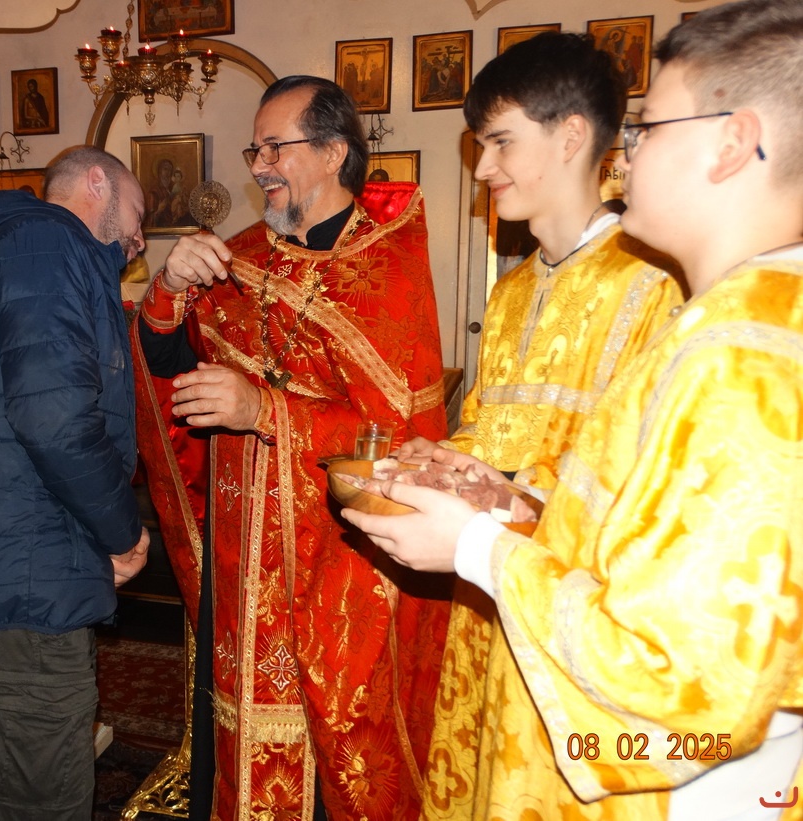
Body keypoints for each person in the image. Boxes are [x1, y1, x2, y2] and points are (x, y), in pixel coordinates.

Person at [344, 1, 803, 818]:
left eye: (649, 129)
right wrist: (471, 473)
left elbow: (681, 673)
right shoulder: (536, 292)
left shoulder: (717, 330)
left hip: (604, 669)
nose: (629, 152)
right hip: (529, 599)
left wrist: (480, 536)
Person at [133, 75, 450, 820]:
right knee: (240, 733)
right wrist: (168, 290)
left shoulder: (387, 269)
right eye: (256, 150)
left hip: (341, 558)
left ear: (335, 151)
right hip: (243, 552)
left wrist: (264, 409)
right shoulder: (241, 258)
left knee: (343, 746)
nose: (261, 166)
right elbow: (168, 368)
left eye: (276, 147)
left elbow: (397, 434)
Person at [393, 32, 683, 818]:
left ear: (571, 136)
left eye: (500, 142)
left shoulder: (653, 283)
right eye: (480, 145)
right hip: (488, 591)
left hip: (574, 607)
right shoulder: (511, 289)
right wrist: (443, 459)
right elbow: (492, 427)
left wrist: (502, 489)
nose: (482, 168)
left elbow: (640, 472)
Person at [0, 145, 151, 821]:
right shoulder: (48, 242)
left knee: (24, 796)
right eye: (139, 214)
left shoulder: (23, 246)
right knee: (41, 806)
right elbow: (55, 417)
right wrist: (123, 531)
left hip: (13, 574)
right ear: (98, 182)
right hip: (23, 587)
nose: (139, 240)